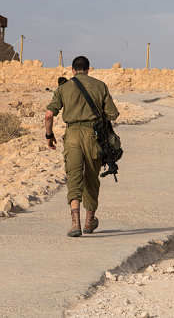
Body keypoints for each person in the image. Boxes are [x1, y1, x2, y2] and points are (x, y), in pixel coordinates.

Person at [45, 56, 119, 237]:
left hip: (71, 137)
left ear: (72, 70)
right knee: (92, 178)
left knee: (74, 178)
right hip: (94, 138)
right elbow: (113, 114)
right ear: (88, 70)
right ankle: (89, 222)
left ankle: (75, 223)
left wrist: (49, 135)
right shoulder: (100, 85)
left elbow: (48, 115)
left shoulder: (63, 87)